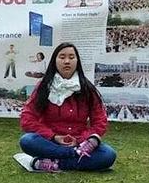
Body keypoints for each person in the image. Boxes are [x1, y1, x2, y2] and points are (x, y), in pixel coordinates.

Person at [19, 42, 117, 172]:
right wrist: (54, 136)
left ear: (77, 61)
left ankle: (52, 164)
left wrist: (80, 140)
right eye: (62, 57)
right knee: (27, 140)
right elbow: (27, 118)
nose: (67, 61)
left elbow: (100, 121)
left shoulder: (87, 89)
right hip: (50, 142)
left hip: (80, 143)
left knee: (108, 155)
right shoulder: (44, 87)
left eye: (71, 57)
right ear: (55, 61)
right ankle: (74, 156)